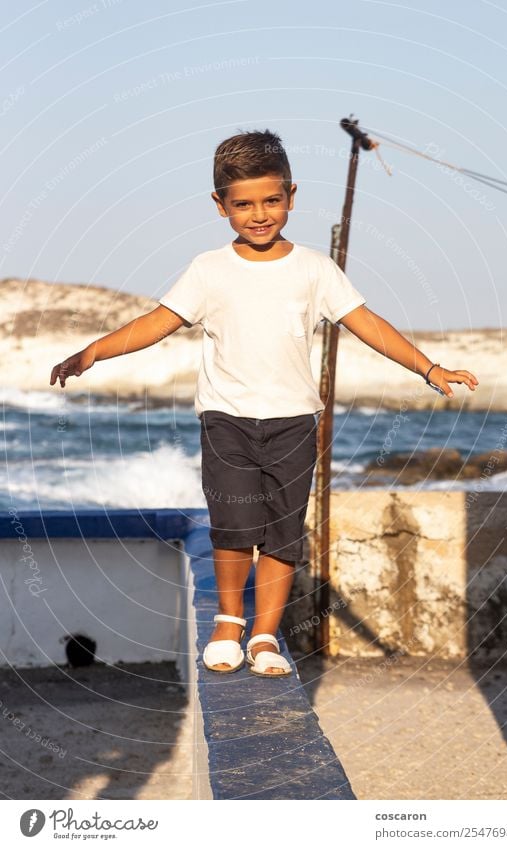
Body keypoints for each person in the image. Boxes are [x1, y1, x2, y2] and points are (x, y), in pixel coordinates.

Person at [50, 129, 479, 678]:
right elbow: (155, 324)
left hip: (295, 423)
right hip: (226, 420)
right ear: (220, 205)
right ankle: (230, 622)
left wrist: (428, 367)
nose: (259, 214)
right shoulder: (208, 270)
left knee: (282, 533)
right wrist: (92, 353)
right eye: (244, 204)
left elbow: (367, 324)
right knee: (232, 528)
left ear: (291, 196)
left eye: (271, 200)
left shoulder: (314, 270)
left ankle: (266, 635)